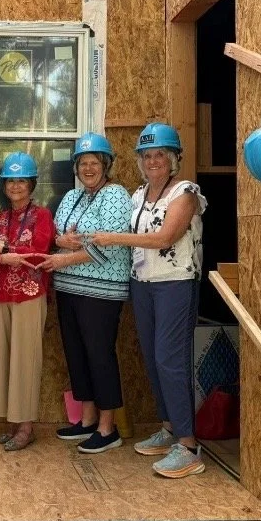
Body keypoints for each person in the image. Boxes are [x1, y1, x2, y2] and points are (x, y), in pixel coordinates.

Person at [88, 122, 208, 478]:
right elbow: (126, 236)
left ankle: (188, 445)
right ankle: (169, 427)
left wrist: (113, 238)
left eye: (160, 155)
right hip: (142, 283)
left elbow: (165, 238)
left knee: (170, 359)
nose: (153, 161)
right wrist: (87, 239)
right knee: (153, 360)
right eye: (147, 155)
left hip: (176, 283)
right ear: (140, 161)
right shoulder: (138, 195)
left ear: (173, 159)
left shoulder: (184, 192)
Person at [39, 132, 132, 454]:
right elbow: (58, 233)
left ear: (105, 165)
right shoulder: (72, 197)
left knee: (99, 355)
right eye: (83, 163)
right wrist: (62, 241)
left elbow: (108, 246)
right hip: (68, 287)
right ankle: (88, 420)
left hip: (101, 293)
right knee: (77, 354)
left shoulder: (116, 194)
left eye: (94, 163)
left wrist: (67, 255)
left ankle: (108, 427)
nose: (88, 168)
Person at [0, 152, 54, 451]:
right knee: (6, 360)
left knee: (25, 360)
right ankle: (12, 423)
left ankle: (26, 427)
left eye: (21, 180)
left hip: (29, 296)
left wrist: (5, 251)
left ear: (32, 184)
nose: (15, 186)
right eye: (10, 180)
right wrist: (0, 257)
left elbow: (38, 253)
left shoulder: (42, 216)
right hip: (1, 296)